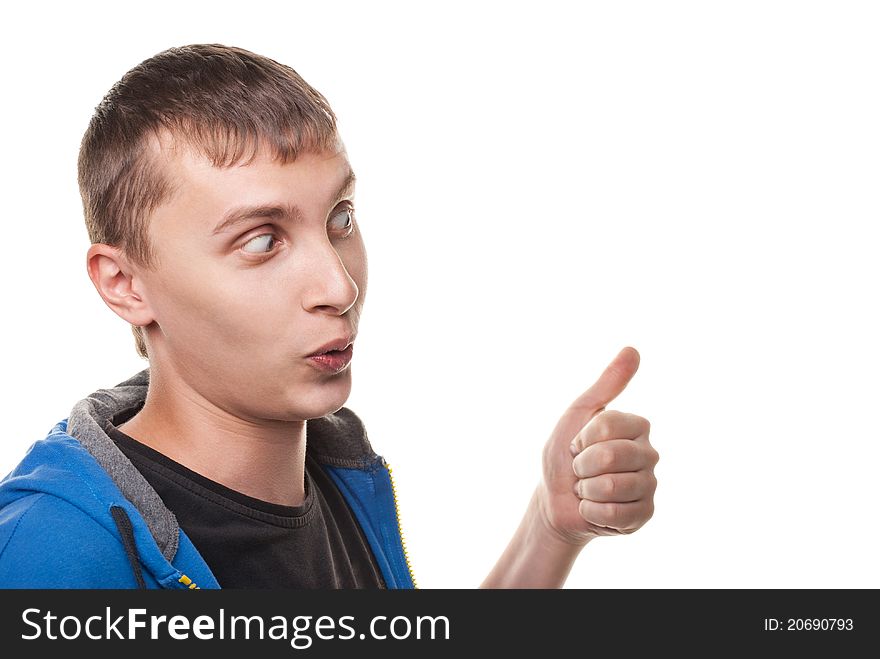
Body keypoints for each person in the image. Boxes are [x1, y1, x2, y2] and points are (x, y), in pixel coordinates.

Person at [0, 44, 659, 589]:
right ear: (125, 284)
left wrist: (549, 527)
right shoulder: (53, 555)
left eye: (340, 219)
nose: (339, 286)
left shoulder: (341, 470)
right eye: (262, 240)